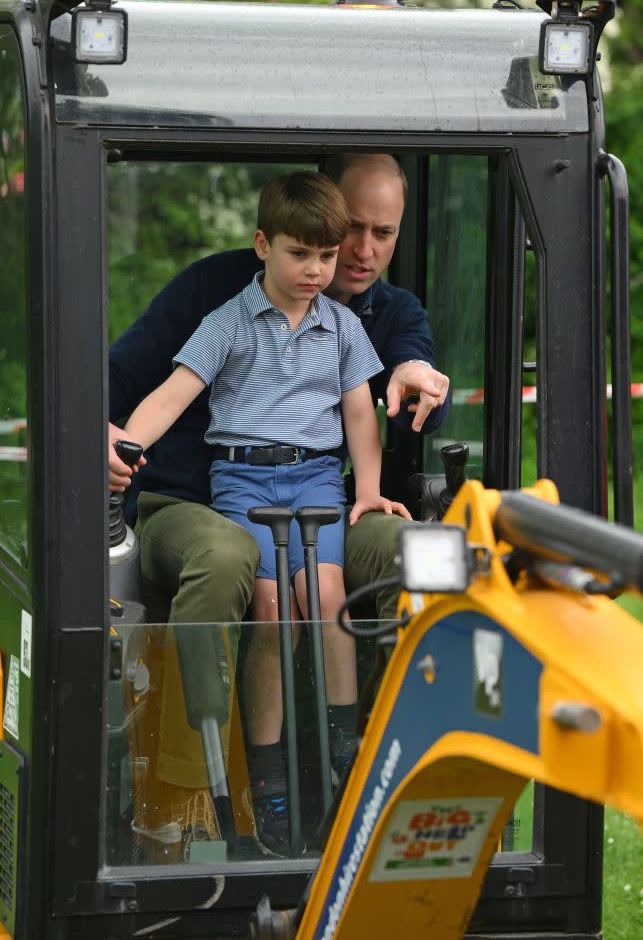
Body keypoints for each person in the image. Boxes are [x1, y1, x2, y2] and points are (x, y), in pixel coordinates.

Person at [108, 153, 450, 854]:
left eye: (379, 235)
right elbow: (155, 387)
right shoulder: (220, 303)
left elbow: (372, 400)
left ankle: (372, 761)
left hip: (320, 486)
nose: (349, 256)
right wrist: (115, 446)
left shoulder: (363, 318)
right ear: (267, 244)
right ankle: (201, 792)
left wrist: (375, 483)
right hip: (220, 490)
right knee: (258, 593)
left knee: (346, 587)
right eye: (336, 237)